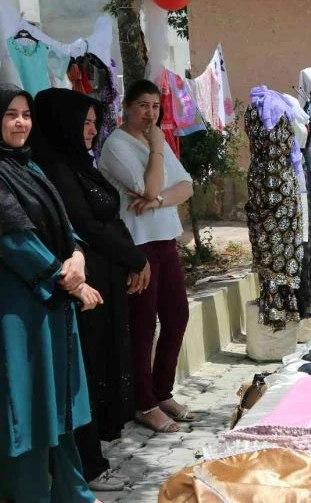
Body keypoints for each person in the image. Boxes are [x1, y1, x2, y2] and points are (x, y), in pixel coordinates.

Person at [33, 87, 150, 490]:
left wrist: (132, 259)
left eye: (94, 123)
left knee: (102, 363)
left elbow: (108, 219)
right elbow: (85, 224)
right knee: (87, 370)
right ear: (62, 124)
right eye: (84, 123)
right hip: (83, 287)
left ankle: (93, 457)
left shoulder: (81, 164)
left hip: (106, 279)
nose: (91, 130)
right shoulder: (54, 168)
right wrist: (134, 258)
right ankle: (86, 467)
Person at [0, 82, 103, 502]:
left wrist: (77, 256)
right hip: (20, 306)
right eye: (10, 115)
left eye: (26, 115)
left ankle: (74, 494)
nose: (21, 123)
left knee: (60, 406)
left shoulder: (30, 166)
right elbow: (14, 239)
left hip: (52, 302)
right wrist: (67, 279)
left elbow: (64, 223)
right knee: (29, 407)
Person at [99, 80, 194, 433]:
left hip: (165, 239)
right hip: (138, 245)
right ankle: (144, 402)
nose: (150, 113)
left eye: (155, 106)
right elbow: (150, 187)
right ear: (126, 107)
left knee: (177, 316)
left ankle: (162, 391)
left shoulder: (156, 140)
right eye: (143, 105)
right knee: (142, 325)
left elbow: (187, 186)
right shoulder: (116, 145)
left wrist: (157, 202)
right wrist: (156, 149)